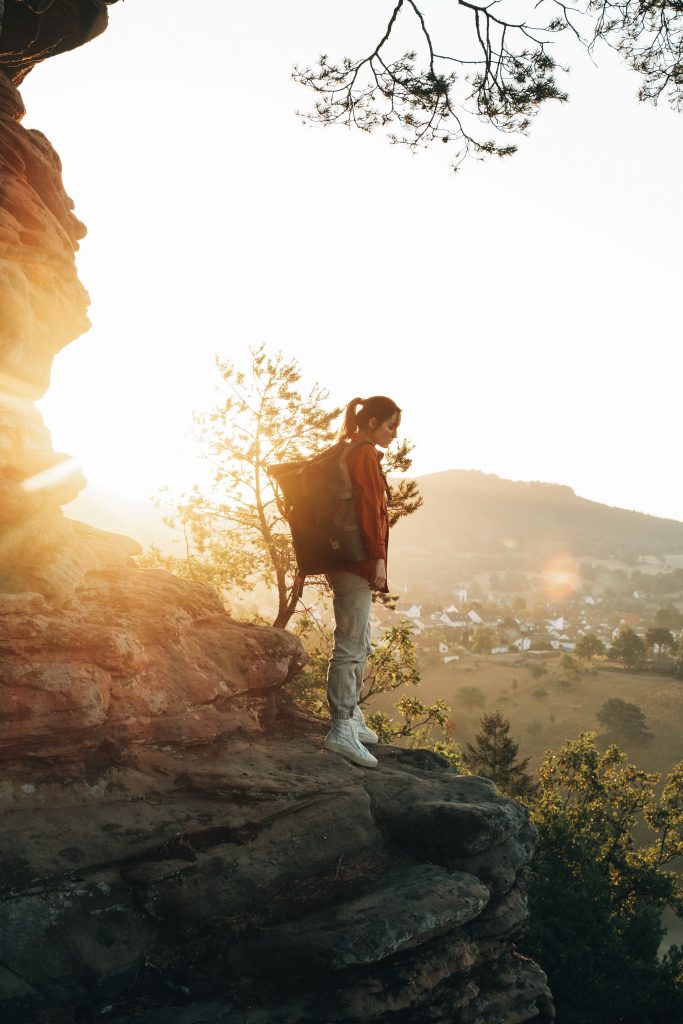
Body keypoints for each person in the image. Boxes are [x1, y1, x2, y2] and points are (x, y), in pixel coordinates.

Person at [322, 395, 401, 768]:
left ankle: (351, 717)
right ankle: (340, 731)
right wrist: (378, 557)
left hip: (343, 556)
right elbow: (371, 508)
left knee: (360, 640)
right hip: (356, 559)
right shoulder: (364, 453)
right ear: (372, 423)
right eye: (390, 426)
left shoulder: (348, 449)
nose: (394, 435)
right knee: (351, 645)